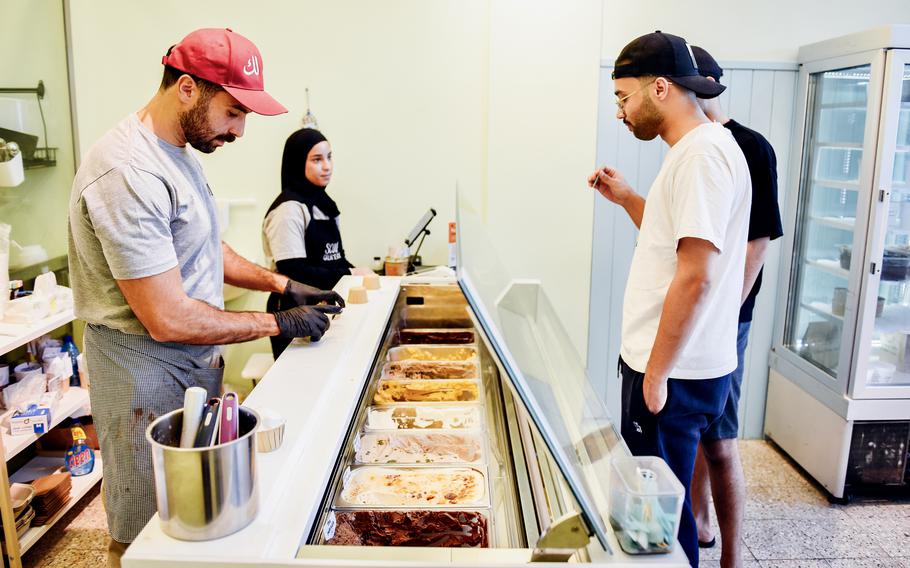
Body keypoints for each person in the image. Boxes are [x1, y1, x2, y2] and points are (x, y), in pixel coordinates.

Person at [67, 28, 344, 566]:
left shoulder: (180, 154)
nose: (239, 131)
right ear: (188, 88)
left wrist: (280, 284)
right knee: (147, 532)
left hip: (188, 361)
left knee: (195, 520)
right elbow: (167, 316)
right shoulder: (128, 171)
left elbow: (205, 248)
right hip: (141, 370)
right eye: (234, 113)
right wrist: (279, 324)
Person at [587, 31, 751, 567]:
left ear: (660, 88)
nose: (619, 112)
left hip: (673, 376)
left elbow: (695, 277)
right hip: (672, 370)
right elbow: (671, 244)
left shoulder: (701, 157)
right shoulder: (692, 152)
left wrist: (655, 375)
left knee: (665, 525)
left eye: (623, 97)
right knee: (656, 515)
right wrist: (630, 199)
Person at [688, 45, 783, 568]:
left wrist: (724, 313)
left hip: (727, 320)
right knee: (702, 425)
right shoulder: (693, 147)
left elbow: (757, 243)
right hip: (699, 315)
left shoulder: (748, 146)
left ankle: (731, 557)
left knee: (720, 434)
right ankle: (699, 520)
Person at [262, 128, 372, 358]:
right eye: (317, 159)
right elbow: (293, 271)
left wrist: (362, 275)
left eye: (329, 157)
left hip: (322, 305)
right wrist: (350, 272)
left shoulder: (326, 205)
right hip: (293, 311)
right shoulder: (289, 209)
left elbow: (336, 259)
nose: (327, 166)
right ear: (297, 163)